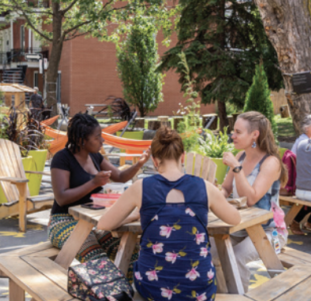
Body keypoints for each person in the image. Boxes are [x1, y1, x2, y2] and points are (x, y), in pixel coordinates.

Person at [98, 127, 240, 301]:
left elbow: (103, 224)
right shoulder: (205, 187)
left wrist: (134, 216)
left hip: (153, 289)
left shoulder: (141, 188)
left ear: (154, 160)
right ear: (182, 156)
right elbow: (235, 219)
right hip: (199, 289)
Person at [49, 113, 151, 263]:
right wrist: (93, 183)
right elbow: (62, 198)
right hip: (63, 221)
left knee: (129, 254)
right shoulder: (62, 158)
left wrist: (139, 164)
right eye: (97, 138)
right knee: (96, 258)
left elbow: (120, 176)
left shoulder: (95, 156)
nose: (102, 141)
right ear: (81, 140)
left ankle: (131, 286)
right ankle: (108, 286)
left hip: (94, 221)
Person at [219, 111, 287, 293]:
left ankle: (239, 297)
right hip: (239, 227)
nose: (232, 136)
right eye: (233, 131)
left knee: (237, 256)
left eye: (238, 132)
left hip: (268, 231)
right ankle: (221, 295)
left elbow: (251, 199)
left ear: (254, 135)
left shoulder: (270, 162)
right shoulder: (241, 156)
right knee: (210, 248)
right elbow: (226, 188)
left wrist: (236, 168)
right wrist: (215, 193)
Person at [289, 114, 311, 236]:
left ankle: (310, 222)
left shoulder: (308, 140)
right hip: (299, 181)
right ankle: (295, 221)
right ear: (306, 128)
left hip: (303, 179)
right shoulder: (305, 142)